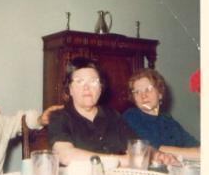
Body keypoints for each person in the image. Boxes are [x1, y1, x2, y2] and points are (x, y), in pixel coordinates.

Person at [48, 57, 177, 167]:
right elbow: (65, 155)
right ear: (69, 89)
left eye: (94, 81)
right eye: (80, 81)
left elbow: (136, 146)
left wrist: (158, 155)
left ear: (100, 88)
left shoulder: (112, 115)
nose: (87, 87)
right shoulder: (59, 117)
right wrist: (119, 161)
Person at [122, 68, 200, 160]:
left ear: (160, 93)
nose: (143, 96)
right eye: (137, 92)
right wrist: (199, 154)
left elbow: (192, 144)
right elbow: (154, 148)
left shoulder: (167, 120)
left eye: (148, 89)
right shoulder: (131, 116)